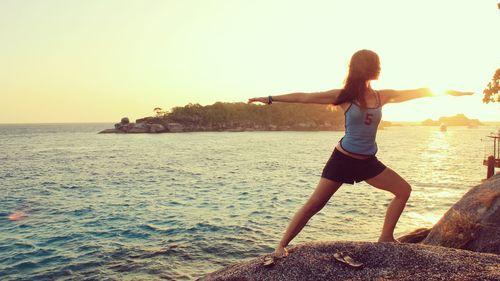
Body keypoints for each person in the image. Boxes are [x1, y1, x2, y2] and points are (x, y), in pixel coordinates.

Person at [247, 49, 473, 258]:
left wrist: (450, 92)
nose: (380, 68)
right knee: (315, 204)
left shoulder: (383, 95)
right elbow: (305, 97)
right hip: (343, 160)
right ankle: (281, 246)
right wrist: (269, 98)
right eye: (376, 64)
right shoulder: (344, 96)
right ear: (365, 67)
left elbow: (419, 92)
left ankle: (385, 238)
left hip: (368, 162)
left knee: (403, 190)